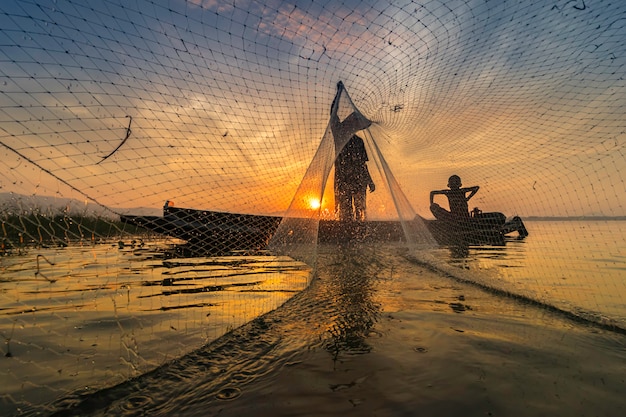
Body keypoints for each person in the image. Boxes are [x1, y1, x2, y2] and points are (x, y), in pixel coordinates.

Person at [334, 134, 375, 222]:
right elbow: (363, 164)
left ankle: (353, 228)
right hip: (351, 179)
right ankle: (355, 228)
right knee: (352, 208)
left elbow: (362, 164)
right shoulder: (354, 141)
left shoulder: (354, 141)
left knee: (355, 208)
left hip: (352, 179)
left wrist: (370, 180)